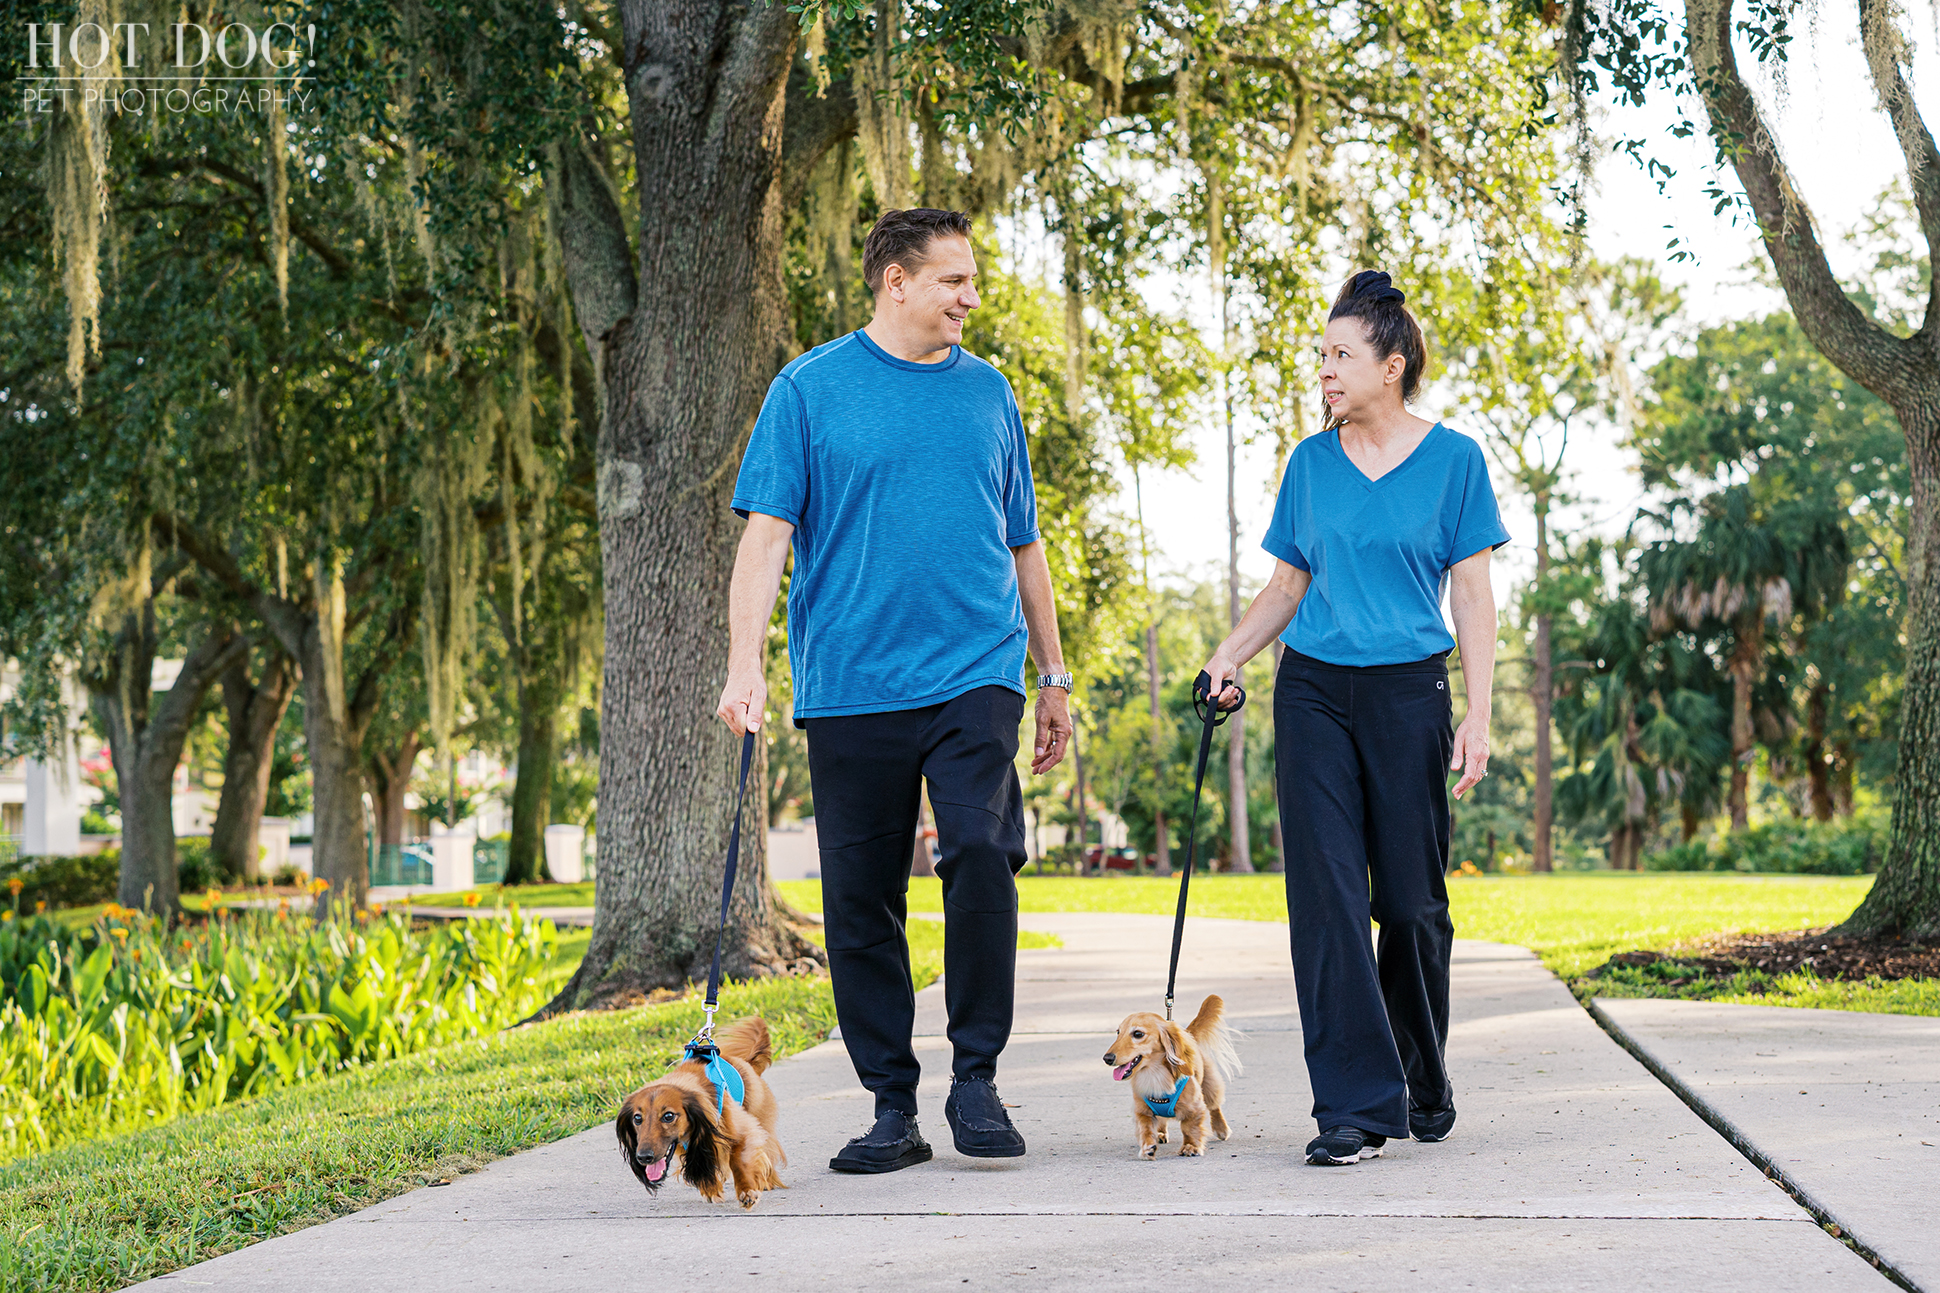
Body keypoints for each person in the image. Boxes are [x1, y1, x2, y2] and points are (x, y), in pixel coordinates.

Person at [715, 208, 1074, 1175]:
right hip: (853, 680)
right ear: (896, 282)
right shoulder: (808, 389)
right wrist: (746, 663)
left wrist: (1052, 676)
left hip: (976, 669)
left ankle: (976, 1077)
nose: (970, 297)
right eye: (954, 280)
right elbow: (765, 537)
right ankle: (891, 1105)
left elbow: (1024, 543)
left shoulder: (990, 393)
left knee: (982, 850)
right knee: (861, 895)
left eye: (972, 280)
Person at [1200, 270, 1508, 1167]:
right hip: (1314, 693)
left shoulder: (1455, 461)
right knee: (1327, 899)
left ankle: (1420, 1069)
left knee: (1410, 904)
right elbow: (1287, 584)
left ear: (1392, 365)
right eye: (1323, 355)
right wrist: (1227, 656)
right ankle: (1352, 1106)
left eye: (1341, 355)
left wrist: (1479, 713)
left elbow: (1473, 597)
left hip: (1410, 693)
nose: (1326, 370)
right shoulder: (1310, 463)